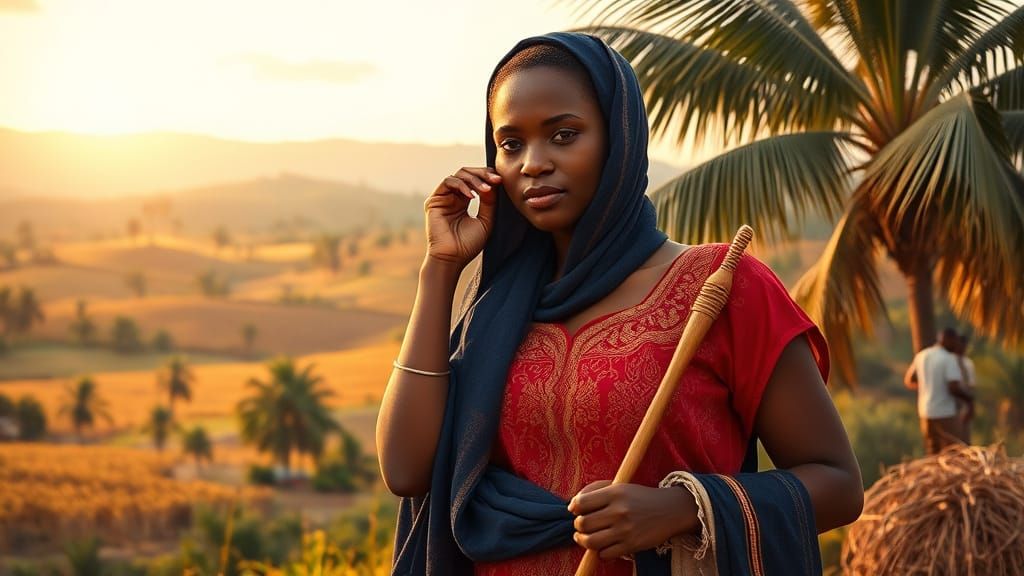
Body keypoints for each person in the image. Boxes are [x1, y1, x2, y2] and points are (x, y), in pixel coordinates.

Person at [377, 32, 863, 576]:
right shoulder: (490, 306)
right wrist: (440, 270)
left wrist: (685, 509)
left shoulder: (722, 286)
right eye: (511, 144)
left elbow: (838, 484)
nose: (533, 163)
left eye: (564, 135)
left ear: (620, 140)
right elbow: (406, 470)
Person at [904, 328, 974, 454]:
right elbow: (953, 387)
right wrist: (970, 401)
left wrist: (929, 385)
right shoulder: (948, 358)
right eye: (956, 341)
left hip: (925, 413)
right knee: (954, 453)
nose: (957, 345)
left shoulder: (922, 355)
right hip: (945, 413)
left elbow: (909, 380)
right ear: (948, 340)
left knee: (932, 452)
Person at [954, 333, 977, 443]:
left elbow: (971, 385)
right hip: (951, 403)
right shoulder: (949, 360)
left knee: (964, 435)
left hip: (964, 402)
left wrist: (970, 404)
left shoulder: (968, 363)